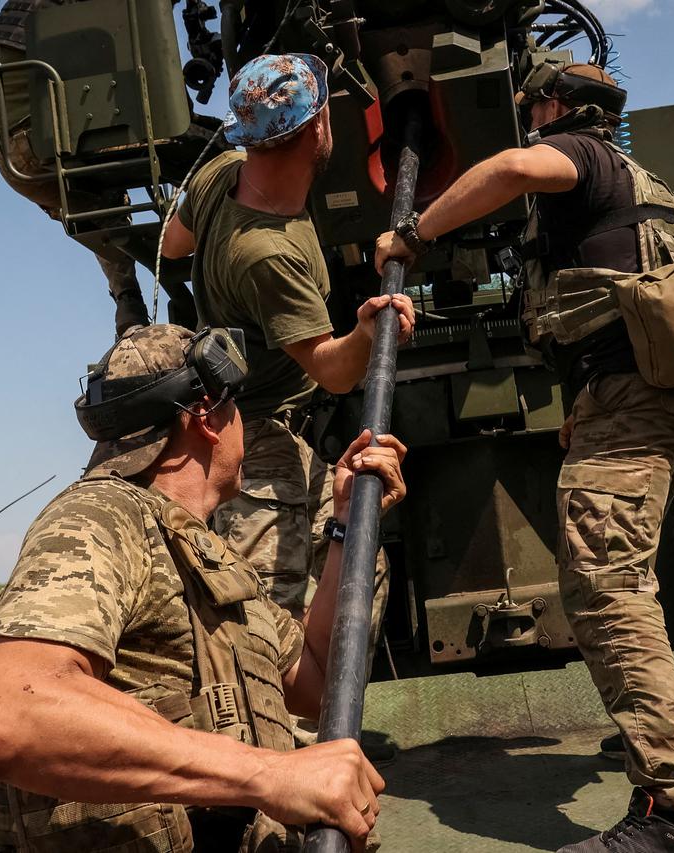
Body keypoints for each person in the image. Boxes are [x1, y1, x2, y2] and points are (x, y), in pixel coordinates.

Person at [375, 62, 674, 853]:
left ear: (561, 107)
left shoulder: (581, 155)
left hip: (637, 403)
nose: (527, 116)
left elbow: (508, 168)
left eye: (534, 103)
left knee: (606, 588)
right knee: (627, 582)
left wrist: (414, 232)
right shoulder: (647, 181)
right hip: (664, 397)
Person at [0, 324, 407, 852]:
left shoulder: (201, 549)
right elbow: (11, 716)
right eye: (237, 405)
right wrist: (269, 774)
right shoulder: (99, 516)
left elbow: (315, 684)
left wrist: (345, 527)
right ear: (206, 418)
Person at [160, 53, 415, 643]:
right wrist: (367, 331)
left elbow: (173, 245)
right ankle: (277, 733)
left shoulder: (220, 171)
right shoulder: (270, 253)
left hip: (266, 428)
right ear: (318, 128)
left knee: (359, 564)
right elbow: (331, 371)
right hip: (257, 440)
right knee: (270, 607)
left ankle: (311, 720)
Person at [0, 0, 151, 338]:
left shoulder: (21, 9)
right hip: (45, 141)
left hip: (13, 158)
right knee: (205, 156)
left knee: (104, 209)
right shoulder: (84, 13)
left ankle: (129, 307)